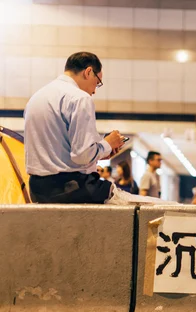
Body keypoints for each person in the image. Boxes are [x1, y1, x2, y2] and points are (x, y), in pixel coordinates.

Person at [24, 52, 124, 203]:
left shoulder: (36, 98)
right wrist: (108, 144)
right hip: (71, 188)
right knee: (129, 204)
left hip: (37, 189)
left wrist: (99, 152)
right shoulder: (79, 98)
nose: (94, 91)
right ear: (88, 72)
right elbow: (81, 155)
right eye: (97, 83)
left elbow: (59, 152)